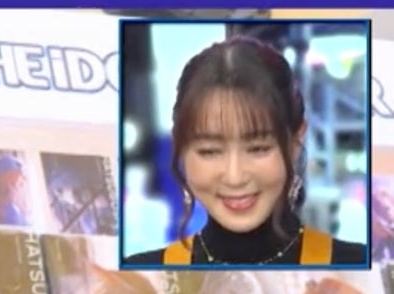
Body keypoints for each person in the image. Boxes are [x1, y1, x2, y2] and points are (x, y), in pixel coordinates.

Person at [125, 34, 369, 268]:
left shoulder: (360, 266)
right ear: (180, 148)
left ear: (296, 142)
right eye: (209, 151)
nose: (235, 177)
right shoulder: (143, 274)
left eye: (258, 149)